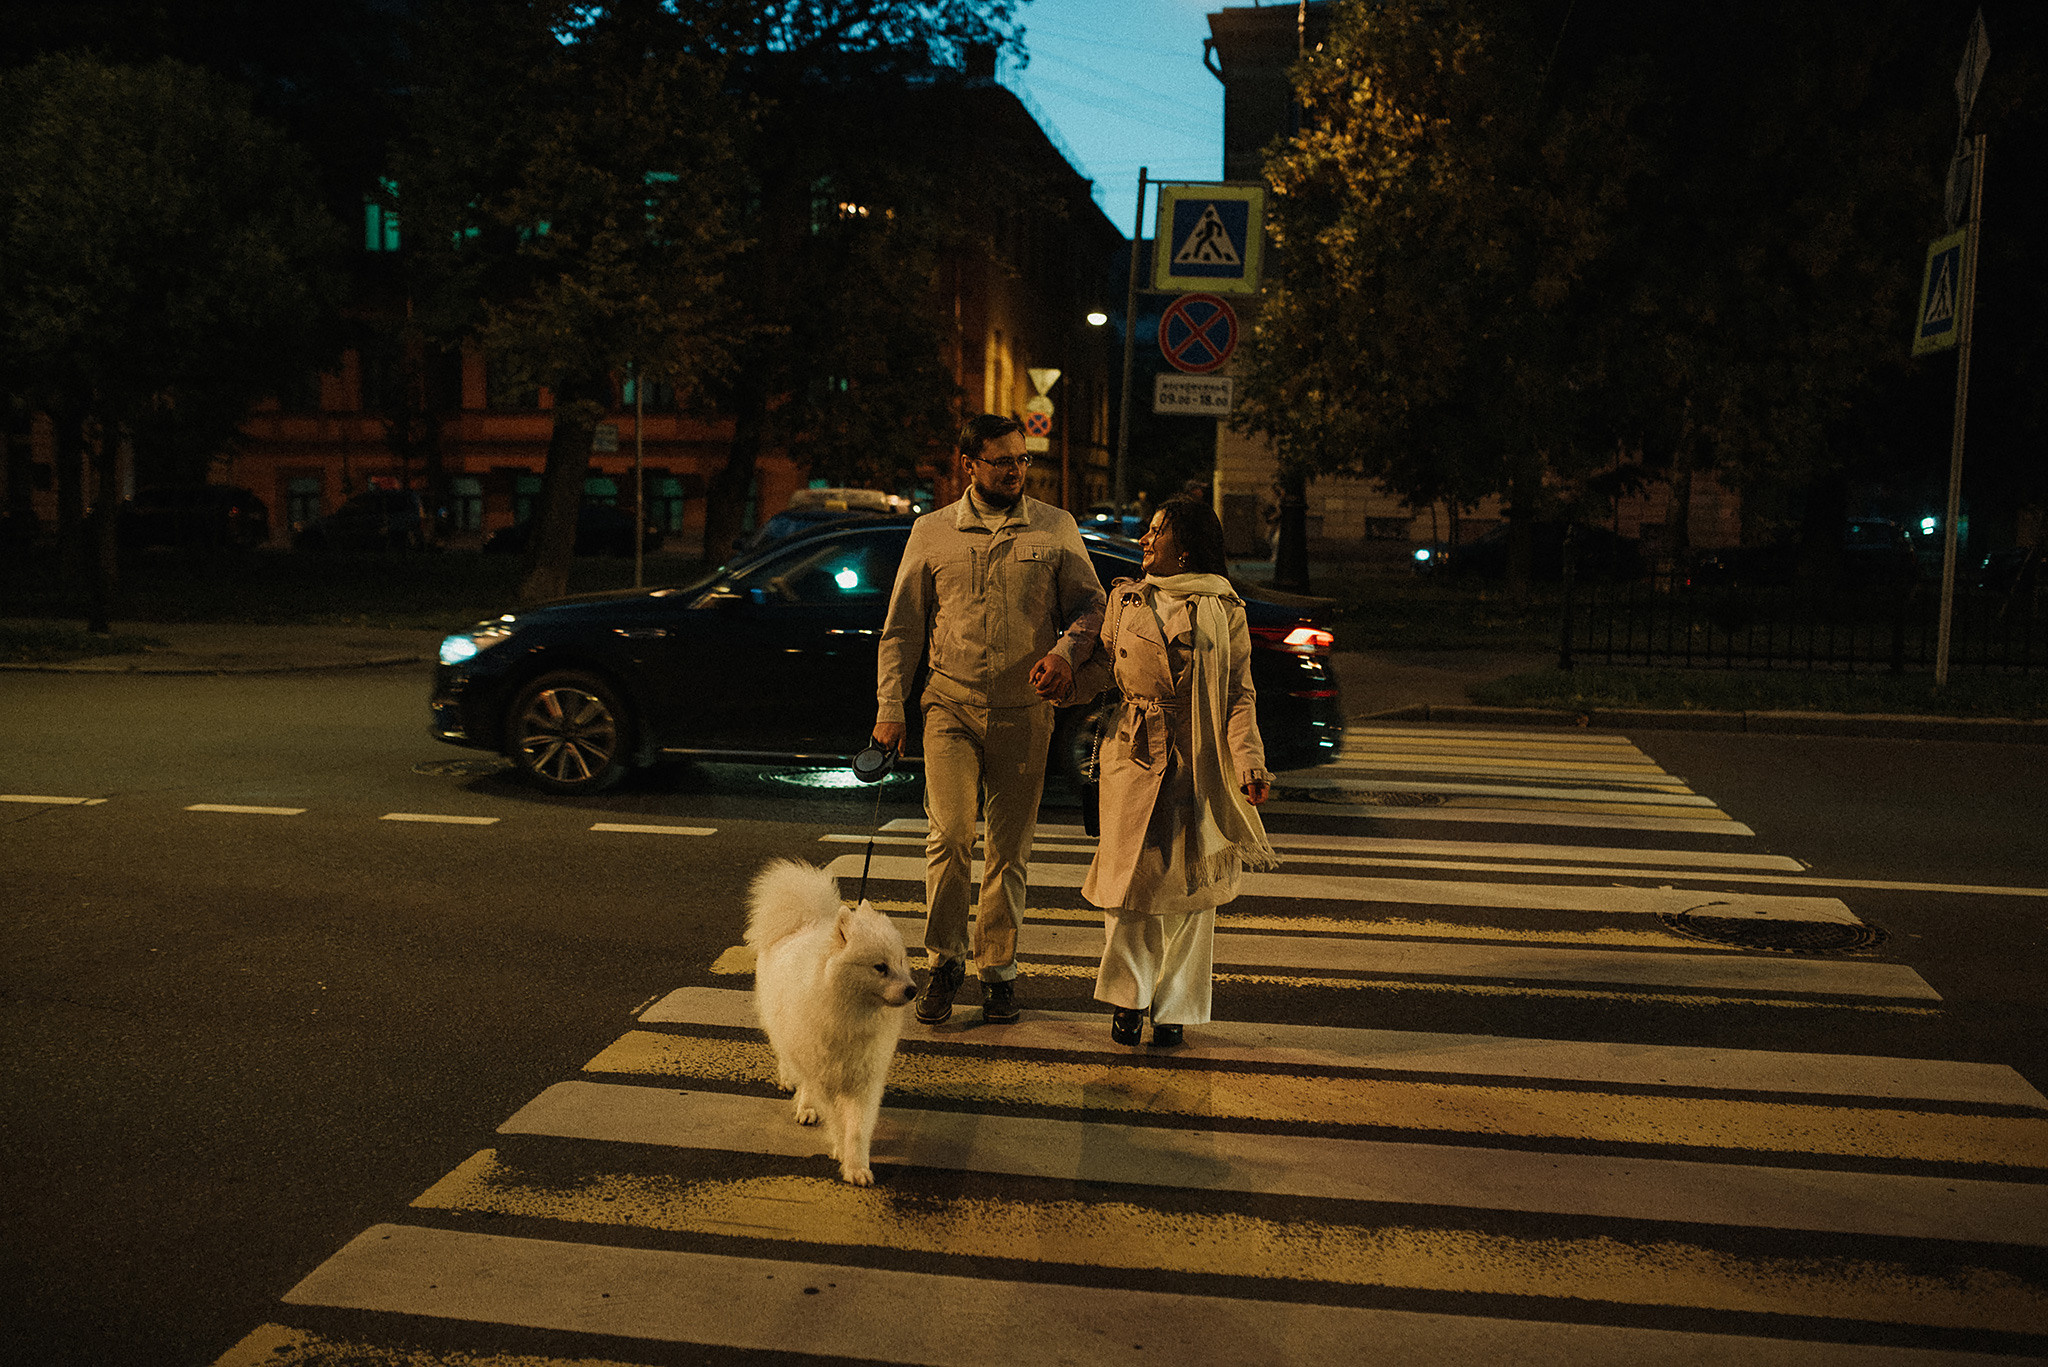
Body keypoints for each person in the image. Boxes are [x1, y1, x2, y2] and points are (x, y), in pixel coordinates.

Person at [873, 414, 1107, 1026]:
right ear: (970, 465)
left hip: (1025, 712)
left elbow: (1090, 605)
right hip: (949, 705)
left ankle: (997, 970)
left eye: (1022, 460)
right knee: (950, 836)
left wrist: (1064, 652)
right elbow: (903, 628)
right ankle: (944, 961)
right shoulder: (933, 532)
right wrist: (889, 709)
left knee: (1010, 850)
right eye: (1002, 460)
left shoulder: (1055, 528)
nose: (1015, 470)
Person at [1076, 496, 1278, 1047]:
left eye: (1156, 532)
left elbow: (1239, 695)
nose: (1144, 539)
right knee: (1130, 885)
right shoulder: (1128, 599)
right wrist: (1061, 679)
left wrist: (1248, 762)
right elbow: (1101, 668)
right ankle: (1128, 997)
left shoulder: (1225, 610)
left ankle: (1175, 1008)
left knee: (1192, 893)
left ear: (1184, 550)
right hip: (1133, 752)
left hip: (1198, 758)